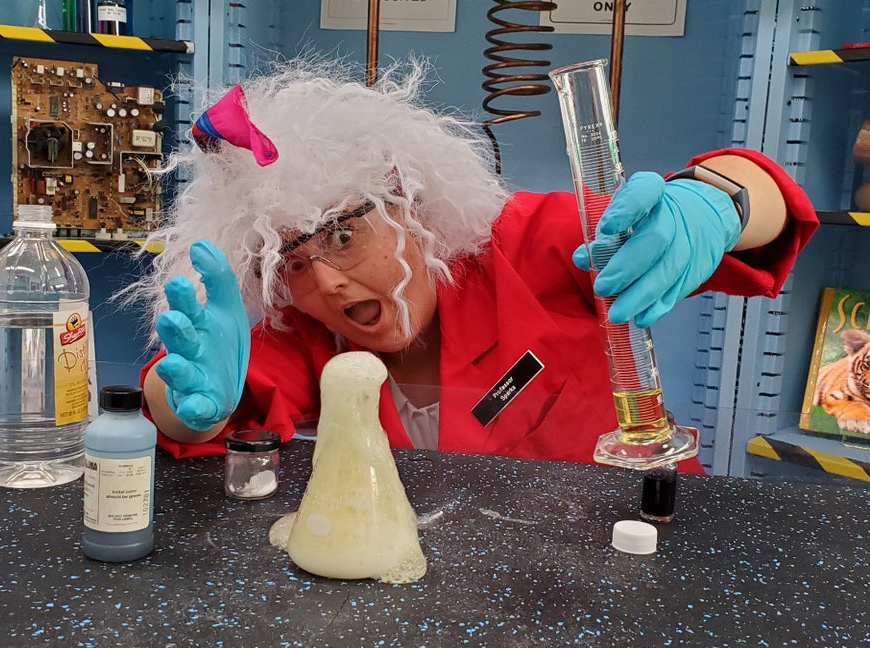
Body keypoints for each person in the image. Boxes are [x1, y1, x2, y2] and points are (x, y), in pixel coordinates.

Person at [128, 59, 817, 471]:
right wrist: (183, 402)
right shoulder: (311, 334)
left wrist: (716, 202)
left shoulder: (526, 246)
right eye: (289, 262)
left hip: (625, 560)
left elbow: (768, 204)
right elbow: (198, 408)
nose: (325, 281)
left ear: (408, 205)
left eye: (341, 236)